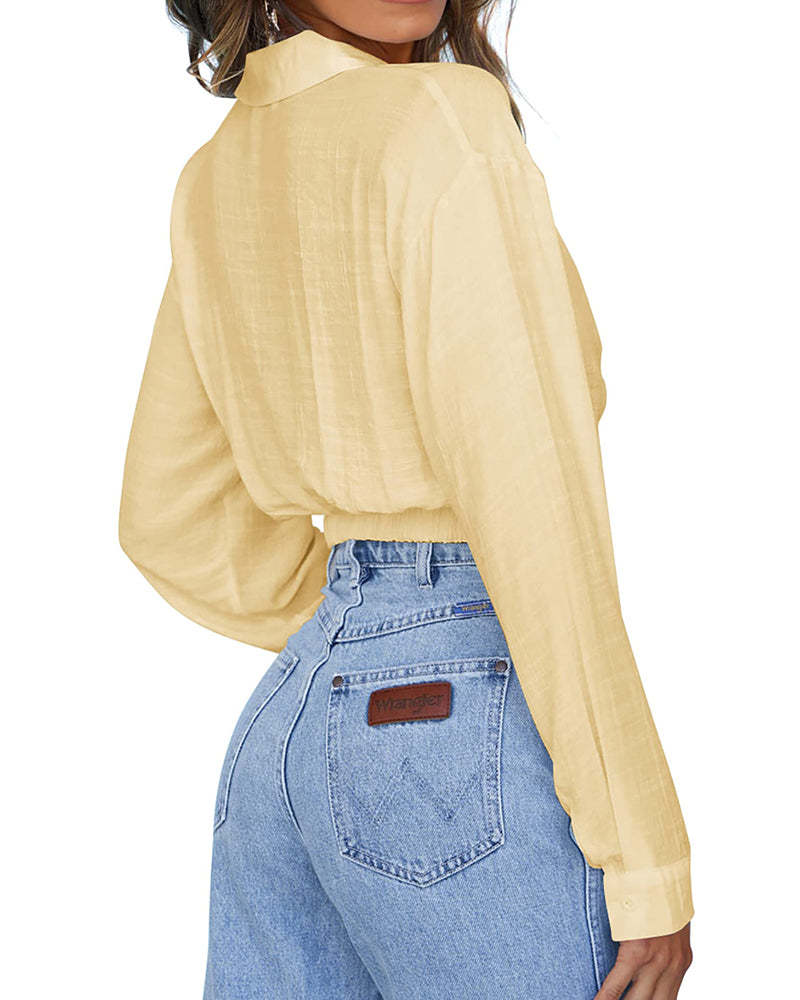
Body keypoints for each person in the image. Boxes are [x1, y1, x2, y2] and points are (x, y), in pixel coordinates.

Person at [118, 2, 694, 997]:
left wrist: (361, 634)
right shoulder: (441, 120)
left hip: (288, 737)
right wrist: (644, 857)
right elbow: (534, 506)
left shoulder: (216, 175)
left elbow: (168, 513)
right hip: (450, 737)